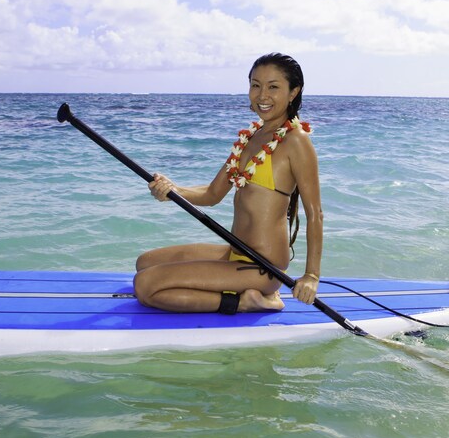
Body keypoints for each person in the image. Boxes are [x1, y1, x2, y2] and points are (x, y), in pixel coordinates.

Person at [134, 53, 322, 314]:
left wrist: (311, 276)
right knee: (144, 263)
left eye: (273, 86)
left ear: (293, 92)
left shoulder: (296, 141)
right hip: (236, 252)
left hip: (262, 266)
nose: (262, 95)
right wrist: (173, 190)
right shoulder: (253, 136)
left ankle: (246, 300)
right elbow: (212, 194)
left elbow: (315, 214)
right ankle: (244, 289)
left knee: (145, 286)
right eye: (255, 85)